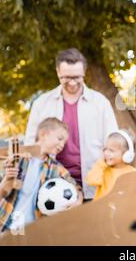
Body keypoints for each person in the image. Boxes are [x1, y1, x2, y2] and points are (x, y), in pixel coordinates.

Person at [24, 48, 118, 201]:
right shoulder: (42, 104)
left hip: (94, 187)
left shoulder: (100, 103)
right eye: (67, 77)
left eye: (77, 77)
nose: (73, 82)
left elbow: (113, 143)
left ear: (84, 72)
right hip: (50, 187)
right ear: (57, 72)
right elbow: (30, 145)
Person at [0, 117, 83, 234]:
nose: (62, 145)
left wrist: (78, 201)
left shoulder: (57, 168)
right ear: (43, 134)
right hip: (11, 226)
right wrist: (8, 178)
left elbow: (77, 189)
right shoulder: (17, 159)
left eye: (64, 142)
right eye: (60, 139)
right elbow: (2, 193)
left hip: (36, 229)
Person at [86, 130, 136, 200]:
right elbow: (91, 181)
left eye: (111, 150)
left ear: (127, 155)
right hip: (103, 209)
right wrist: (101, 164)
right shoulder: (103, 169)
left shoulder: (133, 172)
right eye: (105, 149)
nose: (106, 153)